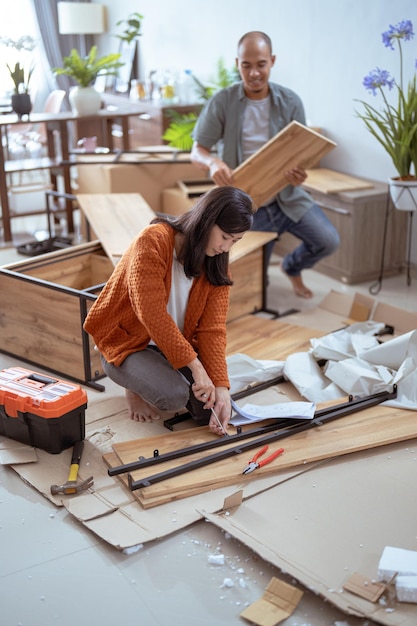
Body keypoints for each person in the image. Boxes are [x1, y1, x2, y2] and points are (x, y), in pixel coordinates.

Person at [83, 186, 254, 436]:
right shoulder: (153, 240)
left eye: (235, 241)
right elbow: (151, 314)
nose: (226, 248)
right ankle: (132, 385)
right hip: (127, 341)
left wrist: (221, 387)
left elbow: (212, 330)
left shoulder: (217, 265)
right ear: (207, 220)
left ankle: (160, 371)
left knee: (208, 409)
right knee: (174, 397)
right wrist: (196, 368)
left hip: (172, 344)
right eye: (225, 237)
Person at [191, 31, 340, 299]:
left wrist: (298, 173)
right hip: (248, 203)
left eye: (261, 64)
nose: (254, 73)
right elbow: (197, 150)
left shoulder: (291, 101)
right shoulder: (222, 101)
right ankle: (265, 272)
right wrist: (212, 162)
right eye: (246, 65)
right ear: (237, 63)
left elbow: (301, 151)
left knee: (328, 240)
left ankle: (292, 267)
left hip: (287, 197)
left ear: (272, 61)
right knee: (256, 289)